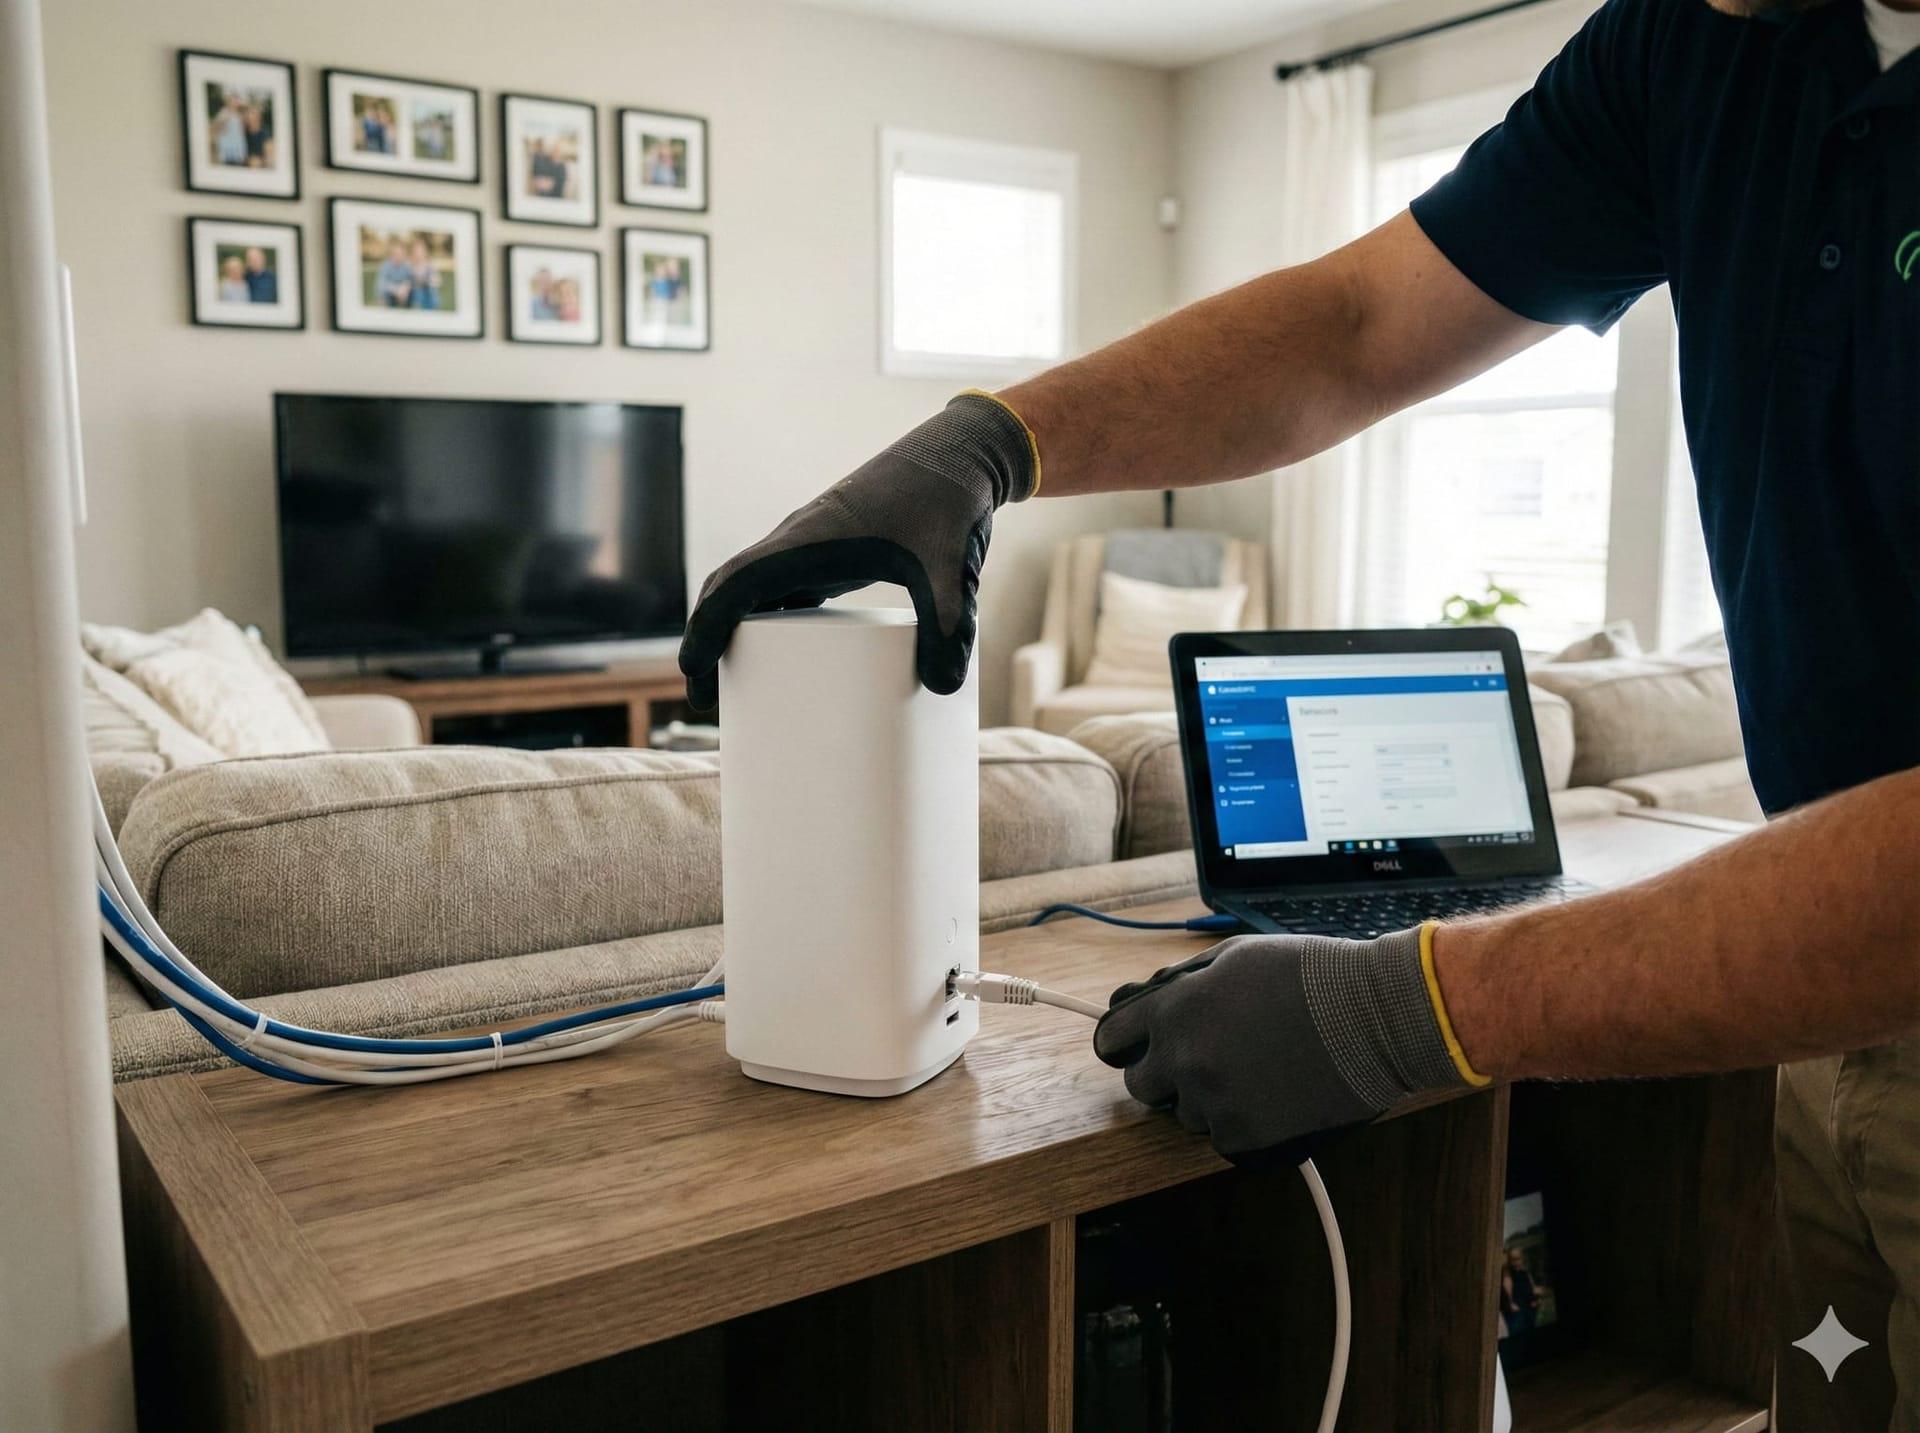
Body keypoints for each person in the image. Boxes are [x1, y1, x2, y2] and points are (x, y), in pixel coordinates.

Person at [677, 0, 1920, 1424]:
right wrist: (989, 445)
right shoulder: (1697, 41)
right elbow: (1359, 321)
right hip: (1820, 1003)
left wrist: (1412, 1005)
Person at [211, 90, 246, 167]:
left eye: (236, 101)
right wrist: (223, 124)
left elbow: (241, 130)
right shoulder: (224, 112)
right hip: (226, 142)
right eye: (232, 100)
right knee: (226, 164)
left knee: (238, 163)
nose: (235, 103)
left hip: (237, 143)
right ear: (228, 102)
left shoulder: (239, 114)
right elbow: (216, 125)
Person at [375, 237, 412, 308]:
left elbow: (410, 279)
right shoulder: (386, 266)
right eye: (396, 254)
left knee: (408, 295)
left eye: (401, 254)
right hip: (389, 295)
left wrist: (406, 287)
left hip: (403, 295)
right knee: (382, 297)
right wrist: (396, 289)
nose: (398, 257)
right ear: (391, 254)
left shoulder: (406, 265)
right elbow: (380, 284)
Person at [406, 237, 439, 311]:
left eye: (420, 251)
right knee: (418, 291)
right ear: (412, 253)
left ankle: (432, 309)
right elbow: (407, 281)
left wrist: (431, 280)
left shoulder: (429, 265)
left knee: (431, 292)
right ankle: (418, 308)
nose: (418, 254)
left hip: (427, 293)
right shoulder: (410, 265)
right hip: (414, 293)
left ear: (425, 252)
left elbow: (436, 280)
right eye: (416, 251)